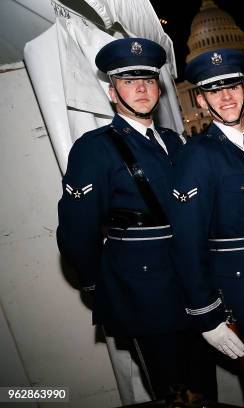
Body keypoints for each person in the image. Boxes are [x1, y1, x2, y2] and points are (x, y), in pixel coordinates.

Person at [56, 38, 211, 403]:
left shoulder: (175, 142)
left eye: (147, 79)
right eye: (129, 81)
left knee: (204, 388)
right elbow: (77, 232)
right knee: (172, 392)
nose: (141, 88)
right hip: (144, 295)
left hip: (192, 286)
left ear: (158, 87)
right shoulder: (95, 149)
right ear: (113, 92)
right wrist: (99, 285)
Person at [169, 48, 244, 406]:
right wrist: (208, 318)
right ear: (202, 100)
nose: (226, 96)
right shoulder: (197, 156)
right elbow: (187, 243)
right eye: (214, 89)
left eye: (233, 85)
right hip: (243, 296)